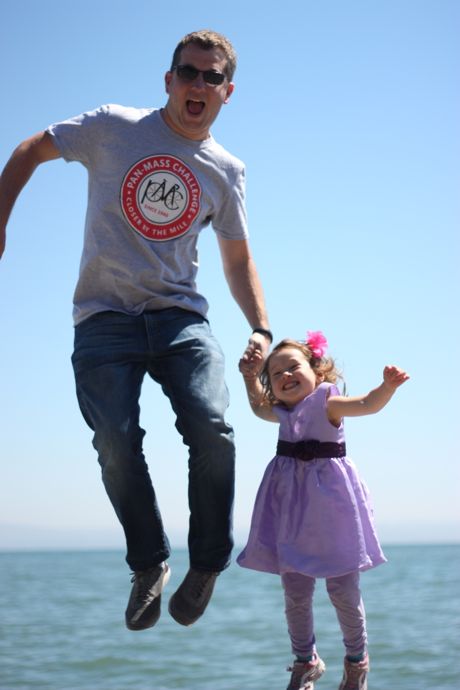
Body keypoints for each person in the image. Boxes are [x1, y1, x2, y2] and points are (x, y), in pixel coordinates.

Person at [0, 30, 272, 631]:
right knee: (115, 443)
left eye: (210, 76)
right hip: (103, 318)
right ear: (168, 80)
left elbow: (236, 259)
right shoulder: (113, 126)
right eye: (187, 73)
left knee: (213, 428)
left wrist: (261, 326)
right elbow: (27, 151)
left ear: (228, 91)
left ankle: (206, 564)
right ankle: (149, 563)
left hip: (179, 319)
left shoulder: (226, 171)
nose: (197, 85)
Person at [237, 331, 409, 690]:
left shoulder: (328, 403)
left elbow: (366, 404)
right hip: (290, 514)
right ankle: (305, 661)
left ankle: (357, 661)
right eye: (276, 374)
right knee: (295, 592)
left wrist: (387, 387)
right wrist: (249, 377)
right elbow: (256, 407)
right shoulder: (281, 413)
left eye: (293, 367)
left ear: (316, 370)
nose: (285, 376)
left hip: (333, 510)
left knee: (342, 589)